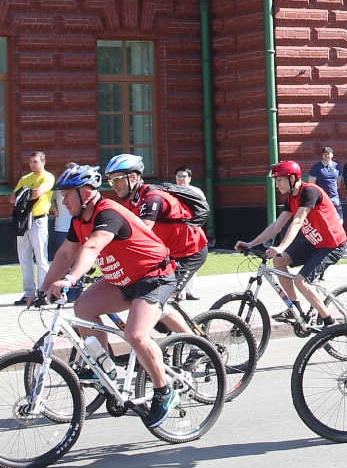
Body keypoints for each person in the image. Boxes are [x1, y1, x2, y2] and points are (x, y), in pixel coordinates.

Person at [40, 164, 180, 423]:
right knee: (83, 308)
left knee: (135, 335)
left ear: (87, 193)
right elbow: (65, 254)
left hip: (154, 278)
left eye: (68, 194)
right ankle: (105, 370)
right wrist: (43, 289)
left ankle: (164, 391)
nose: (64, 200)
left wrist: (70, 279)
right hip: (122, 280)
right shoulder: (79, 219)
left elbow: (92, 247)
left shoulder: (109, 214)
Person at [243, 160, 347, 323]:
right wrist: (250, 244)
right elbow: (277, 226)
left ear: (292, 178)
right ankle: (295, 309)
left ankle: (329, 322)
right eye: (276, 181)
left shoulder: (309, 192)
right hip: (315, 244)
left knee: (301, 280)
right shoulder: (291, 199)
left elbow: (298, 221)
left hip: (333, 245)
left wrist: (281, 246)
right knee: (279, 261)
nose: (277, 185)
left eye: (279, 180)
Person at [103, 153, 209, 309]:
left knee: (161, 299)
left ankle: (186, 332)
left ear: (132, 177)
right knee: (146, 297)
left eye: (117, 180)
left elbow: (142, 233)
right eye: (111, 181)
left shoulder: (152, 197)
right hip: (169, 252)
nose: (113, 185)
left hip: (190, 252)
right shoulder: (132, 202)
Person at [13, 151, 55, 307]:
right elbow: (13, 197)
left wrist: (24, 193)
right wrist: (25, 194)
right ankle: (28, 293)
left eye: (35, 161)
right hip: (23, 220)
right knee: (24, 259)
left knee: (41, 258)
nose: (32, 164)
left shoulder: (47, 177)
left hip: (38, 220)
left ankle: (43, 293)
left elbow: (38, 192)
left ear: (43, 162)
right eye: (30, 161)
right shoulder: (25, 179)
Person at [309, 146, 343, 215]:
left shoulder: (337, 166)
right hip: (323, 198)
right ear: (322, 155)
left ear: (332, 155)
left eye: (328, 153)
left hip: (334, 197)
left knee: (339, 218)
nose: (327, 155)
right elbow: (311, 184)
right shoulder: (316, 168)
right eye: (325, 154)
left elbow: (338, 182)